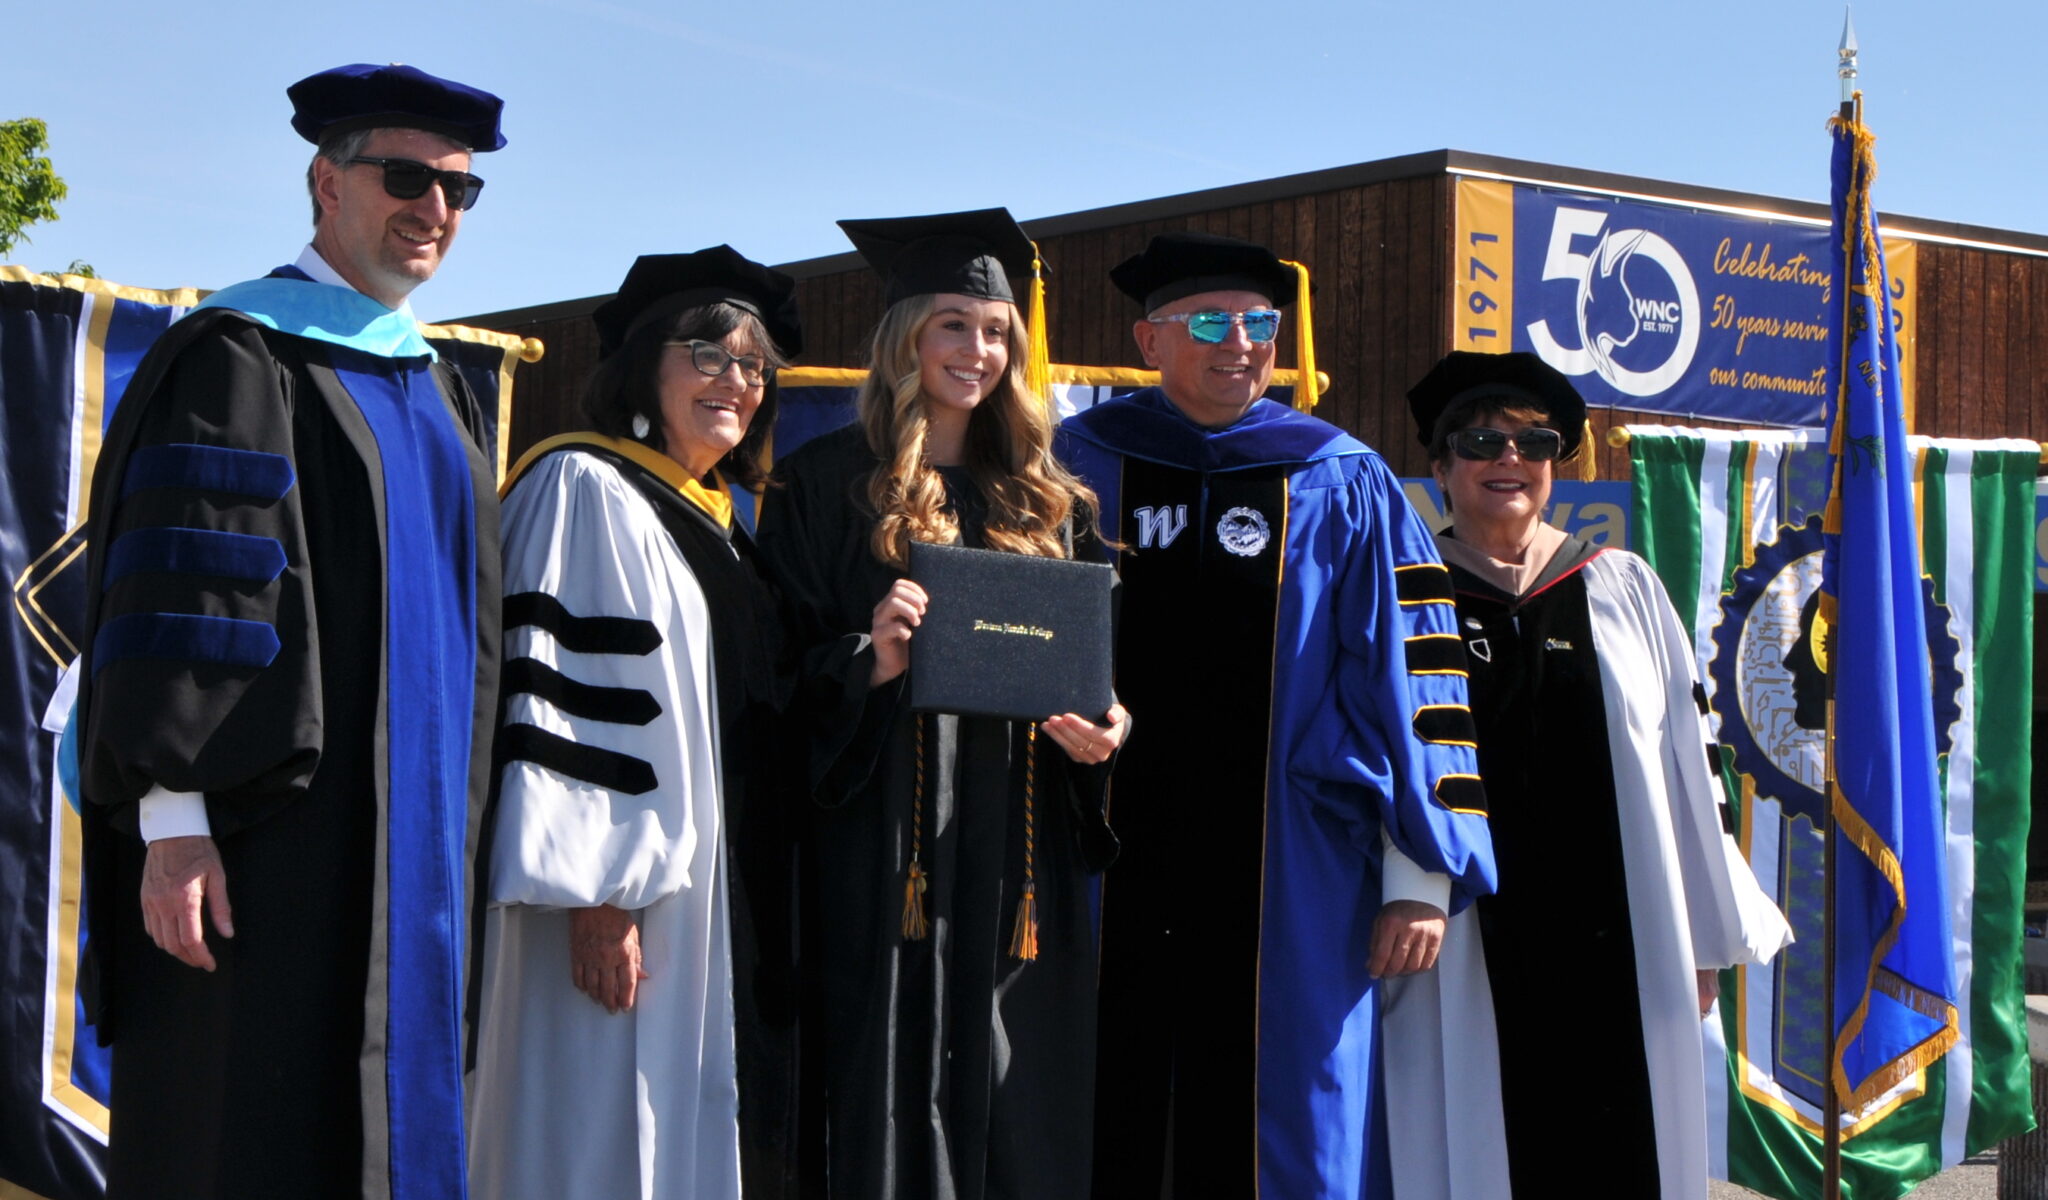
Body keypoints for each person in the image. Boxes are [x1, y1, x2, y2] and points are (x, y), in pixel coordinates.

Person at [72, 63, 506, 1199]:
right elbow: (184, 604)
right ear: (325, 180)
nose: (434, 211)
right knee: (246, 1129)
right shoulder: (240, 353)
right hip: (268, 848)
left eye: (460, 192)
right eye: (405, 178)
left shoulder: (444, 388)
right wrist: (173, 823)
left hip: (416, 850)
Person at [1053, 231, 1495, 1200]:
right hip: (1094, 852)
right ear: (1148, 340)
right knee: (1093, 1100)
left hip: (1289, 869)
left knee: (1287, 1118)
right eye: (1210, 322)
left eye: (1260, 322)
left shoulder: (1337, 476)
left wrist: (1418, 872)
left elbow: (1412, 675)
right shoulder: (1075, 465)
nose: (1242, 342)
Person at [754, 208, 1130, 1200]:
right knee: (887, 1057)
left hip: (1018, 840)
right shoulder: (823, 486)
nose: (977, 350)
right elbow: (768, 673)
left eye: (995, 330)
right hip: (885, 841)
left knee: (1018, 1064)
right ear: (905, 336)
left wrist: (1107, 726)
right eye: (952, 325)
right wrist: (866, 658)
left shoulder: (1051, 500)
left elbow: (1098, 671)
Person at [1385, 350, 1793, 1200]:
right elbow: (1379, 760)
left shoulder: (1623, 587)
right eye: (1480, 440)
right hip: (1467, 939)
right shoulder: (1402, 595)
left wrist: (1705, 938)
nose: (1509, 459)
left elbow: (1692, 766)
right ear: (1438, 465)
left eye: (1534, 442)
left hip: (1626, 928)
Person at [467, 247, 802, 1200]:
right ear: (644, 366)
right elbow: (566, 695)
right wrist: (598, 894)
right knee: (600, 1128)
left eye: (752, 365)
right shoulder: (584, 487)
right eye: (707, 354)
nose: (735, 382)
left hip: (715, 891)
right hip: (620, 908)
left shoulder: (723, 520)